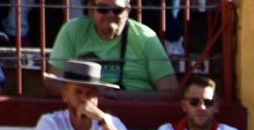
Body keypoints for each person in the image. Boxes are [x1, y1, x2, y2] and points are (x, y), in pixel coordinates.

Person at [46, 0, 177, 98]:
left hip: (132, 110)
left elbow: (170, 91)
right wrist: (89, 96)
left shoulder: (145, 37)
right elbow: (53, 83)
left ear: (127, 11)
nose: (110, 15)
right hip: (84, 107)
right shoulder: (72, 31)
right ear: (91, 9)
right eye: (102, 9)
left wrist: (125, 97)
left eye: (117, 10)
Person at [28, 59, 138, 130]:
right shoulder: (51, 121)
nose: (84, 99)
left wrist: (102, 121)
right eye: (78, 92)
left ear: (97, 97)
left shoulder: (111, 122)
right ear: (65, 95)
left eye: (90, 93)